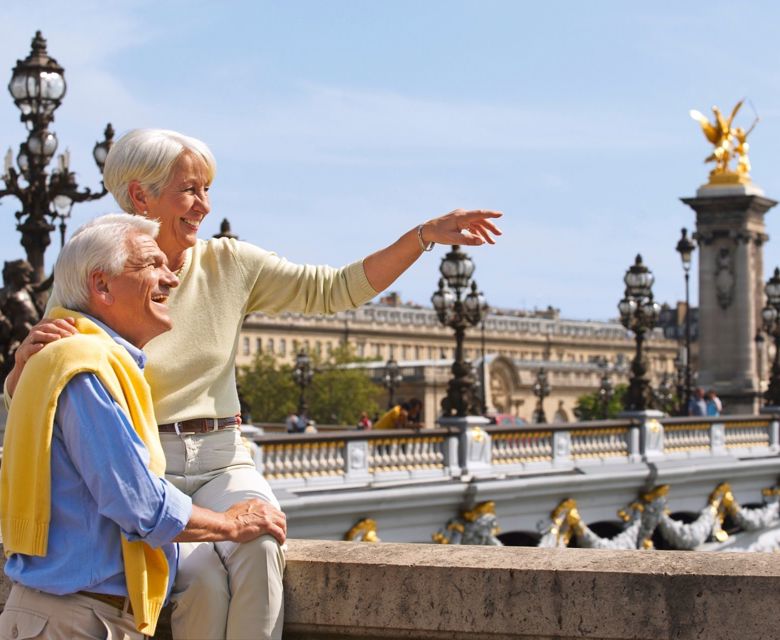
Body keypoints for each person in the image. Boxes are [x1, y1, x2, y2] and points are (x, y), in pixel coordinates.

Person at [5, 128, 502, 640]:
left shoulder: (228, 263)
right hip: (150, 464)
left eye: (207, 189)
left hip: (224, 458)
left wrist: (421, 236)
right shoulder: (98, 270)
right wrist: (21, 368)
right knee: (199, 584)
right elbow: (50, 391)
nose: (203, 204)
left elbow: (334, 289)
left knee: (263, 548)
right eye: (190, 190)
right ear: (139, 196)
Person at [0, 214, 286, 639]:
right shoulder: (85, 366)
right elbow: (139, 503)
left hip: (81, 616)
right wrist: (231, 524)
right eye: (152, 265)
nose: (170, 278)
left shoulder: (76, 359)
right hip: (77, 621)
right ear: (102, 286)